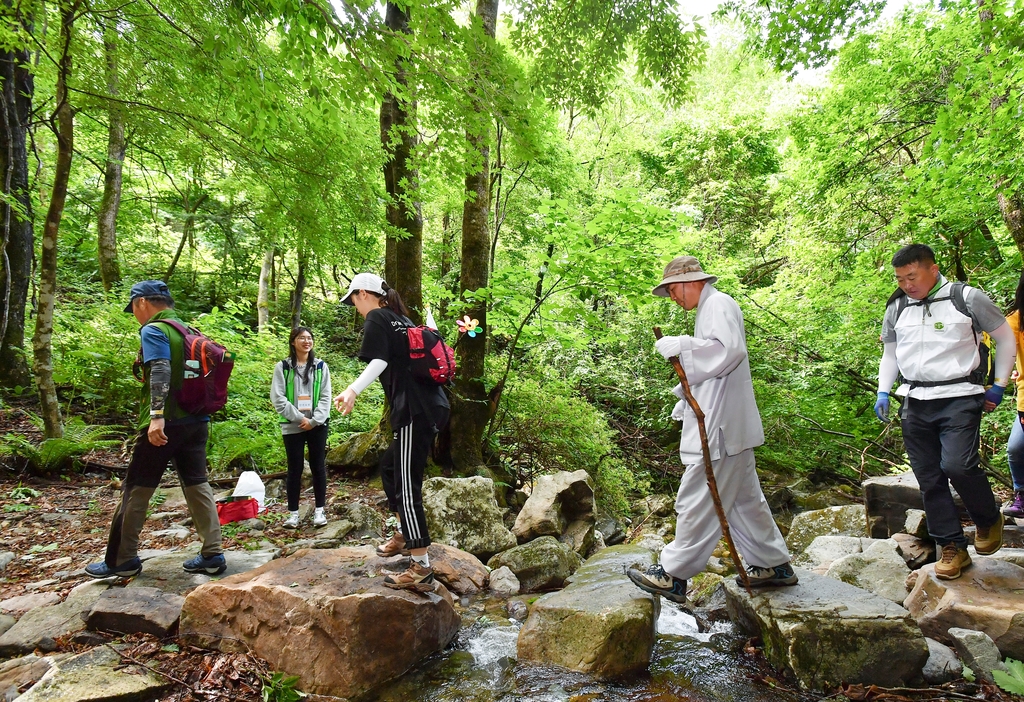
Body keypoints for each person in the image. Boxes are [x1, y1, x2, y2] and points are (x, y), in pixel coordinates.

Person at [627, 256, 796, 604]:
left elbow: (729, 352)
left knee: (698, 496)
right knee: (744, 502)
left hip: (721, 428)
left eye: (673, 289)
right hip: (727, 423)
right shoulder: (711, 307)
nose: (673, 297)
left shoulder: (717, 303)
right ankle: (773, 565)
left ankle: (673, 574)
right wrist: (686, 398)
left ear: (692, 282)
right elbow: (718, 368)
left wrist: (684, 345)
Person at [874, 244, 1014, 579]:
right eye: (900, 278)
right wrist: (883, 390)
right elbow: (891, 353)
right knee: (929, 478)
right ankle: (952, 546)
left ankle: (987, 518)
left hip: (960, 395)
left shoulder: (965, 297)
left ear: (932, 269)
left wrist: (999, 385)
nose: (907, 284)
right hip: (915, 399)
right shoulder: (896, 306)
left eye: (912, 276)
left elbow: (1005, 337)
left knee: (958, 465)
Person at [86, 281, 225, 578]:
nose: (135, 314)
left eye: (133, 308)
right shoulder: (190, 331)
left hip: (166, 424)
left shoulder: (154, 330)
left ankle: (122, 559)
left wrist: (156, 416)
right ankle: (213, 554)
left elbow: (160, 369)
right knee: (197, 484)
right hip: (197, 422)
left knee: (138, 487)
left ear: (141, 303)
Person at [333, 273, 449, 591]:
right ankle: (403, 532)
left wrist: (353, 390)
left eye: (353, 300)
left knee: (407, 485)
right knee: (389, 466)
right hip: (432, 404)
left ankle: (421, 568)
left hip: (414, 409)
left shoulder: (377, 317)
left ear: (363, 294)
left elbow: (380, 361)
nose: (355, 307)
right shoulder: (402, 318)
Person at [271, 327, 332, 529]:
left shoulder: (321, 366)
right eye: (301, 338)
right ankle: (293, 514)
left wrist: (313, 421)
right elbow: (278, 398)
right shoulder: (283, 367)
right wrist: (299, 418)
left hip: (317, 424)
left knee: (318, 466)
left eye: (309, 338)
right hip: (292, 424)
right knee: (294, 468)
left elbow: (326, 397)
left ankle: (320, 511)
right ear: (293, 342)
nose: (306, 341)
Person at [1002, 271, 1024, 519]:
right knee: (1016, 449)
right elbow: (1006, 357)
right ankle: (1022, 494)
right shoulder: (1015, 322)